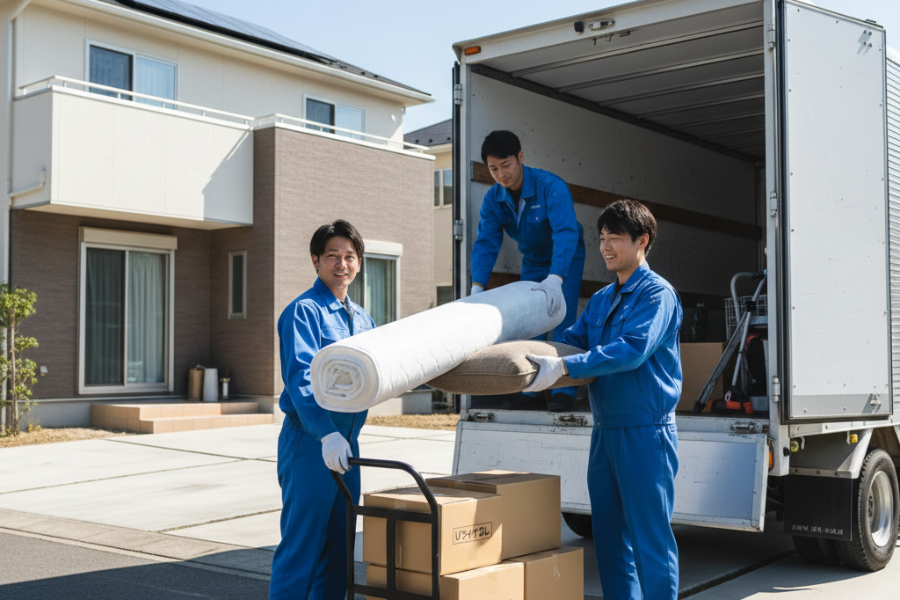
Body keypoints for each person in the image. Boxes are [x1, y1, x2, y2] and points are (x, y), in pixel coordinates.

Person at [524, 200, 682, 600]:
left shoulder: (656, 295)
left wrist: (564, 368)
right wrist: (525, 353)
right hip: (606, 430)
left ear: (642, 241)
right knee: (610, 540)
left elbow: (632, 349)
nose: (606, 246)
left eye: (615, 238)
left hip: (647, 432)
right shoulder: (600, 299)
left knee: (650, 540)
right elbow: (571, 341)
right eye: (602, 238)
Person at [269, 220, 376, 600]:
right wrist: (326, 432)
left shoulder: (363, 319)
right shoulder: (303, 312)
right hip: (310, 442)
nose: (341, 264)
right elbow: (300, 379)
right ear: (315, 261)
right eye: (332, 256)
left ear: (359, 263)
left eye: (349, 256)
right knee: (303, 547)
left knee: (340, 548)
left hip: (347, 446)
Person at [470, 130, 586, 411]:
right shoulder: (493, 199)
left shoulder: (551, 187)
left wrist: (556, 278)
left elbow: (565, 233)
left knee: (561, 319)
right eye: (493, 168)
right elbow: (486, 241)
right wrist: (477, 287)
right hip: (533, 261)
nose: (501, 174)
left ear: (520, 157)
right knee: (531, 323)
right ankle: (532, 390)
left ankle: (565, 390)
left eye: (506, 165)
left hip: (565, 259)